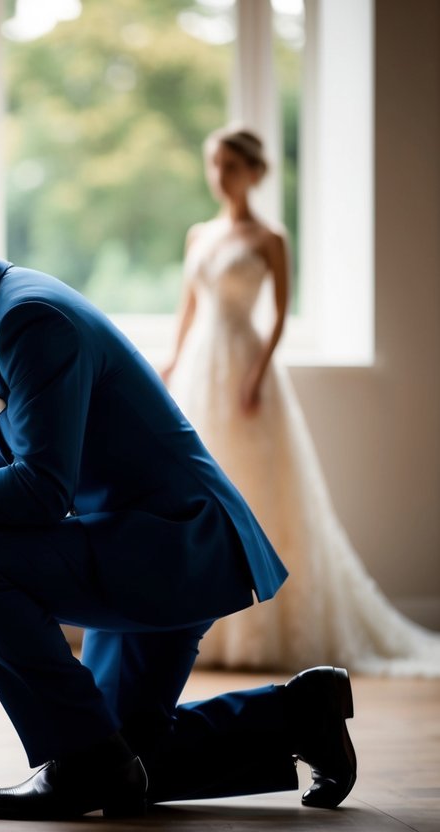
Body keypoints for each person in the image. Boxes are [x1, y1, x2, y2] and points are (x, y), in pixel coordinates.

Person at [0, 170, 357, 819]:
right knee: (127, 756)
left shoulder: (27, 318)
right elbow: (19, 469)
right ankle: (300, 711)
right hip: (132, 535)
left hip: (171, 542)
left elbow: (39, 489)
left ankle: (80, 764)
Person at [162, 126, 440, 676]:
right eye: (213, 164)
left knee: (260, 487)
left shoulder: (271, 239)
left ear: (254, 172)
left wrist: (257, 376)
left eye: (230, 166)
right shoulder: (200, 234)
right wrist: (171, 362)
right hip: (200, 365)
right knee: (202, 487)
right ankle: (201, 626)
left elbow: (281, 314)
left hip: (245, 366)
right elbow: (188, 306)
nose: (219, 176)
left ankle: (263, 624)